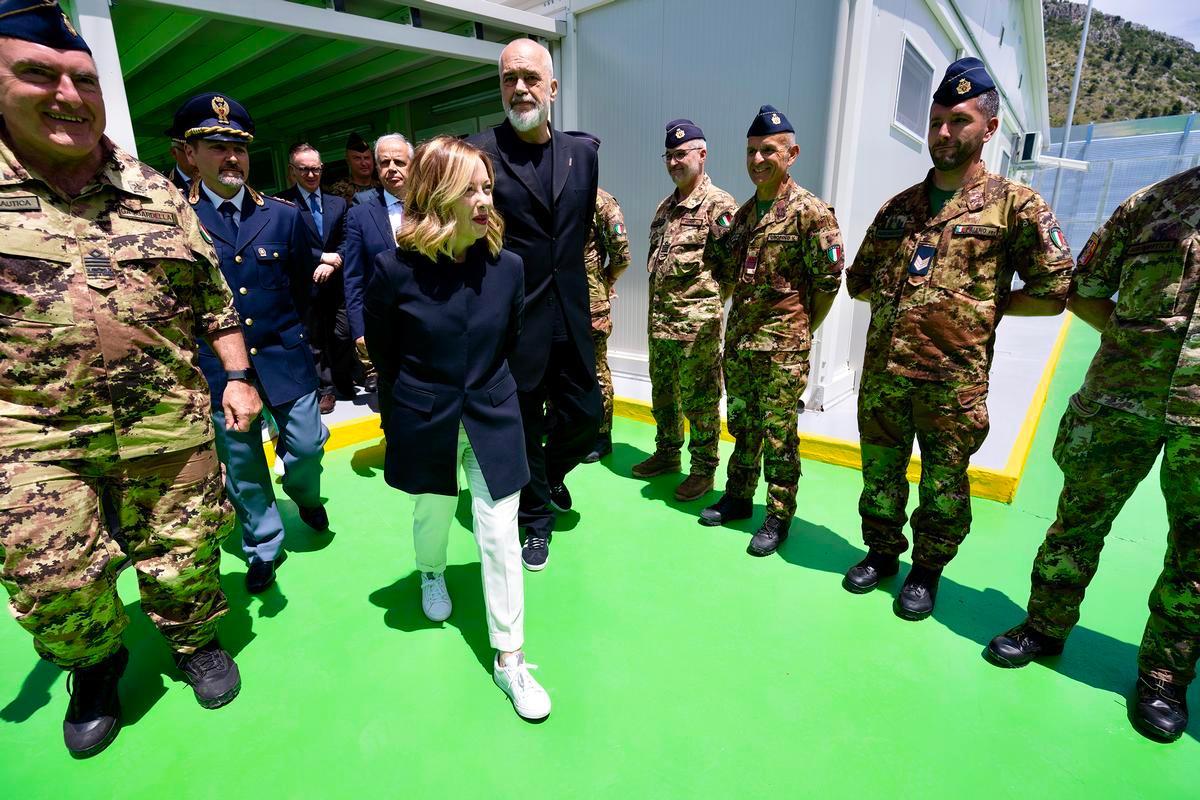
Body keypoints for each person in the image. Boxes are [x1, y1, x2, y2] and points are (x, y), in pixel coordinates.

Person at [0, 2, 258, 757]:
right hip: (33, 440)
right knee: (56, 583)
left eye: (83, 79)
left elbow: (215, 303)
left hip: (167, 424)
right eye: (37, 74)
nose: (67, 96)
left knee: (188, 551)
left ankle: (193, 642)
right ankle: (96, 665)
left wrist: (238, 378)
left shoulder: (156, 194)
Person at [842, 58, 1072, 620]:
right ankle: (881, 552)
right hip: (885, 376)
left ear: (988, 128)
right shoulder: (898, 208)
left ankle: (926, 571)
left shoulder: (1016, 206)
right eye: (937, 120)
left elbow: (1055, 288)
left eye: (959, 120)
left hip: (953, 382)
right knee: (880, 472)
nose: (943, 132)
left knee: (945, 483)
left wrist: (980, 307)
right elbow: (860, 282)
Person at [986, 164, 1200, 743]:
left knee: (1195, 554)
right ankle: (1044, 625)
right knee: (1076, 520)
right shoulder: (1154, 203)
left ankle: (1164, 674)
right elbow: (1085, 288)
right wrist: (1134, 342)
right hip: (1121, 399)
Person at [364, 136, 550, 721]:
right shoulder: (393, 271)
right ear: (436, 196)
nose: (483, 199)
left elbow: (513, 343)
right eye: (469, 188)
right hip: (426, 418)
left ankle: (510, 659)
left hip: (493, 416)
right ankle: (431, 573)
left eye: (487, 186)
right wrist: (405, 415)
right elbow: (386, 357)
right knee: (433, 514)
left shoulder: (509, 268)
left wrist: (496, 396)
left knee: (499, 532)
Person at [178, 92, 330, 594]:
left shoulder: (284, 217)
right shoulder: (177, 219)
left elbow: (307, 287)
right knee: (242, 462)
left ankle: (306, 495)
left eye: (238, 147)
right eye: (217, 146)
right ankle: (263, 545)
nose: (231, 157)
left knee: (307, 446)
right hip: (220, 370)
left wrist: (296, 336)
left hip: (285, 355)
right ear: (190, 153)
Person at [468, 38, 601, 571]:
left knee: (587, 416)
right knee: (523, 425)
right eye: (508, 78)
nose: (519, 88)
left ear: (552, 87)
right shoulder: (479, 153)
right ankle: (536, 520)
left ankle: (550, 475)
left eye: (529, 77)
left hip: (569, 312)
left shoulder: (584, 153)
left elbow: (578, 231)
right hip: (514, 319)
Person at [699, 106, 844, 558]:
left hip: (782, 350)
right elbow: (724, 273)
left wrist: (798, 331)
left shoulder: (810, 213)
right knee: (742, 424)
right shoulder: (741, 217)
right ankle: (740, 497)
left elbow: (828, 283)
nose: (757, 159)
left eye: (768, 150)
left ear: (792, 154)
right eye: (750, 151)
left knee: (779, 433)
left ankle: (778, 514)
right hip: (741, 344)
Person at [633, 119, 736, 501]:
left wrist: (703, 309)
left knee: (701, 401)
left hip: (697, 332)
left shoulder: (720, 207)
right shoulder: (665, 208)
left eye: (682, 154)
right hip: (660, 327)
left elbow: (731, 272)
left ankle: (704, 470)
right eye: (669, 156)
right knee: (663, 395)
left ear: (702, 155)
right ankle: (667, 454)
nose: (674, 162)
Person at [276, 143, 355, 413]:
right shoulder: (282, 205)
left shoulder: (338, 203)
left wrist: (335, 263)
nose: (312, 175)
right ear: (292, 172)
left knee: (343, 334)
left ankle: (344, 381)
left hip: (337, 284)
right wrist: (320, 258)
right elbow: (284, 244)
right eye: (305, 170)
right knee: (314, 340)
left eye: (316, 169)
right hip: (303, 285)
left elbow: (347, 240)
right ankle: (326, 390)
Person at [567, 131, 630, 464]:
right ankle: (569, 426)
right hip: (561, 302)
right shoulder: (562, 197)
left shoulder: (602, 202)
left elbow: (621, 256)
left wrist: (602, 283)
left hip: (591, 304)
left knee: (595, 370)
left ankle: (602, 434)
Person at [343, 132, 413, 396]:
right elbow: (353, 278)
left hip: (430, 320)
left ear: (412, 166)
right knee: (392, 396)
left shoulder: (432, 208)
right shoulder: (359, 215)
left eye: (399, 162)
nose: (391, 169)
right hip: (384, 326)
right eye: (384, 163)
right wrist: (359, 330)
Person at [325, 131, 380, 203]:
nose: (363, 163)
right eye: (357, 158)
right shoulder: (339, 190)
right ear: (348, 161)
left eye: (367, 158)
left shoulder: (382, 186)